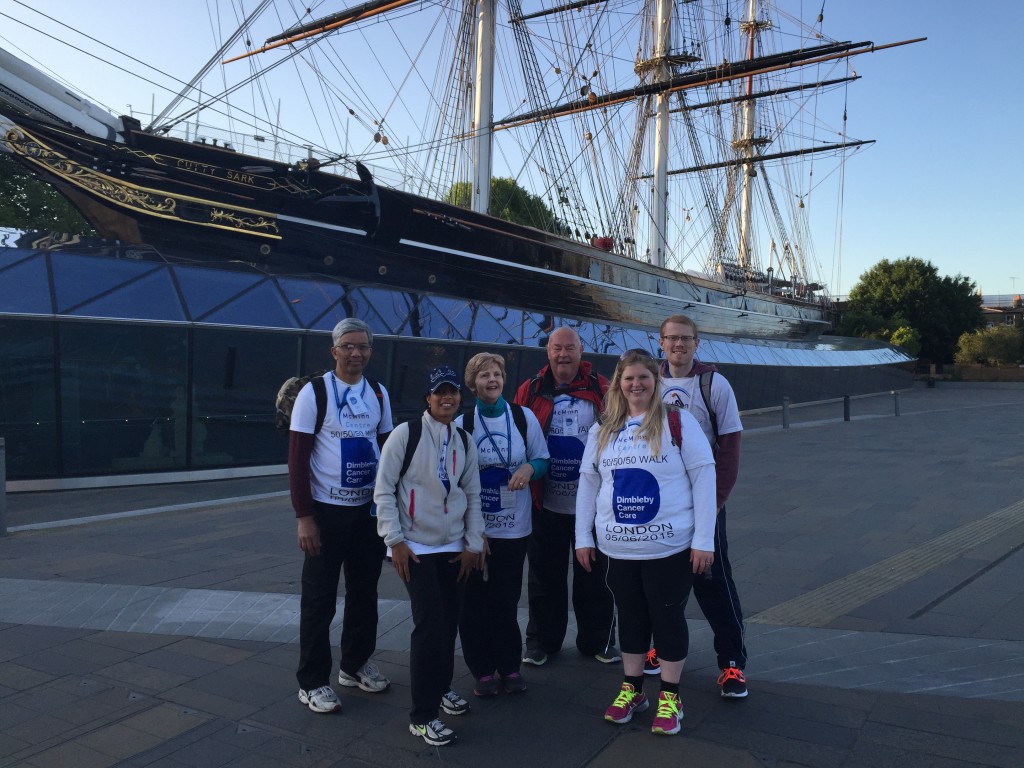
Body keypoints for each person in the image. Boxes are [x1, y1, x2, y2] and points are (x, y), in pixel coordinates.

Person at [575, 349, 716, 736]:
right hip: (618, 547)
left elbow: (705, 478)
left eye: (644, 378)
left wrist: (704, 540)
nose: (636, 385)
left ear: (656, 382)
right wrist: (582, 537)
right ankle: (633, 690)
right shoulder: (603, 428)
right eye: (629, 378)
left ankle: (670, 696)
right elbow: (589, 484)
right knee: (631, 617)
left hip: (669, 547)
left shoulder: (678, 422)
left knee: (667, 617)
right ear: (618, 384)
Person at [374, 365, 484, 747]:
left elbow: (472, 495)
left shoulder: (464, 440)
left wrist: (473, 543)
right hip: (416, 549)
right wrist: (395, 540)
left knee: (449, 622)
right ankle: (422, 716)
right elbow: (384, 490)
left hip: (454, 548)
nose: (447, 398)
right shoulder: (405, 435)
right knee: (430, 626)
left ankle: (439, 689)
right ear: (428, 398)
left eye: (452, 392)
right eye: (440, 393)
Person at [289, 318, 393, 714]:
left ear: (370, 351)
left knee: (364, 593)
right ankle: (312, 681)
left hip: (366, 513)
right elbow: (297, 459)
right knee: (319, 599)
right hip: (326, 513)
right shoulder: (314, 394)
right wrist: (304, 517)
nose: (355, 353)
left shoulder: (378, 394)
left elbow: (388, 450)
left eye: (363, 346)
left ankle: (355, 664)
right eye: (347, 346)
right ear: (334, 351)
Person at [513, 326, 619, 666]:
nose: (563, 354)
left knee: (596, 578)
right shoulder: (530, 389)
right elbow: (516, 436)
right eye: (557, 348)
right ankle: (542, 642)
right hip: (546, 503)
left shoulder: (602, 387)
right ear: (548, 351)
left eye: (569, 348)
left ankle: (599, 641)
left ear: (580, 351)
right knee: (545, 576)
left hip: (591, 506)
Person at [657, 314, 749, 698]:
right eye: (672, 338)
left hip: (703, 499)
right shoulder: (647, 378)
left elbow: (730, 445)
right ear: (660, 342)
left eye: (686, 339)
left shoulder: (714, 384)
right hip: (659, 500)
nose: (679, 345)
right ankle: (657, 650)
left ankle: (731, 663)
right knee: (659, 581)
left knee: (713, 581)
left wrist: (716, 501)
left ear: (697, 343)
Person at [456, 353, 550, 697]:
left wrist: (529, 469)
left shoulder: (522, 417)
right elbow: (452, 477)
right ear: (472, 384)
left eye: (496, 374)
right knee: (473, 601)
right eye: (483, 376)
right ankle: (481, 670)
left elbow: (542, 458)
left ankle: (509, 666)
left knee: (506, 599)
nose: (491, 380)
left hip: (514, 527)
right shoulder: (462, 423)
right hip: (475, 528)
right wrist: (472, 531)